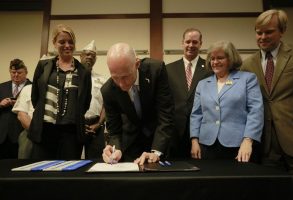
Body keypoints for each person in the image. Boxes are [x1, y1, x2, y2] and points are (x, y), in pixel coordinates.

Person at [240, 9, 293, 175]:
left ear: (282, 31)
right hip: (264, 142)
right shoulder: (247, 65)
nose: (263, 37)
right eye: (259, 33)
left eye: (269, 32)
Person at [190, 40, 264, 162]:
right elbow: (196, 115)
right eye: (212, 58)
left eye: (220, 58)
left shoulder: (247, 79)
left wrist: (248, 140)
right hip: (207, 146)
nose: (215, 62)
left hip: (239, 146)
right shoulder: (202, 84)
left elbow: (256, 111)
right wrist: (194, 140)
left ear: (230, 59)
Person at [101, 42, 174, 165]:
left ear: (137, 64)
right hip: (131, 142)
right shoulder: (108, 90)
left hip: (160, 138)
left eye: (125, 76)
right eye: (115, 78)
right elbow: (114, 130)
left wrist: (156, 152)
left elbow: (166, 114)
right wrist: (115, 148)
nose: (121, 84)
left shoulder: (156, 70)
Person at [28, 24, 92, 159]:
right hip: (44, 131)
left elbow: (85, 102)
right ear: (54, 44)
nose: (67, 45)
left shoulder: (83, 72)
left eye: (70, 42)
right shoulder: (43, 66)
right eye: (62, 42)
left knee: (67, 175)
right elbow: (35, 97)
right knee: (41, 172)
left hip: (71, 133)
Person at [166, 28, 211, 158]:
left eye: (195, 42)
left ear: (200, 44)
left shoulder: (210, 68)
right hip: (174, 133)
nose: (191, 45)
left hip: (202, 132)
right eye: (188, 42)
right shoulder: (168, 69)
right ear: (182, 43)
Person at [80, 40, 107, 159]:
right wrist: (79, 124)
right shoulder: (72, 77)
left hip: (97, 126)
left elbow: (106, 105)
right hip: (76, 125)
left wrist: (99, 124)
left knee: (96, 161)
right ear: (80, 56)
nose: (89, 57)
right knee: (73, 159)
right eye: (87, 54)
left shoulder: (102, 80)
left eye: (93, 55)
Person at [0, 58, 31, 159]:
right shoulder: (2, 87)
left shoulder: (33, 87)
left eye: (19, 72)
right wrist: (0, 105)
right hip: (2, 135)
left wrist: (19, 105)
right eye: (13, 72)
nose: (16, 75)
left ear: (26, 72)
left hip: (22, 134)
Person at [12, 84, 34, 159]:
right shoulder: (28, 88)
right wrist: (34, 131)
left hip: (54, 132)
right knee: (24, 164)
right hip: (29, 132)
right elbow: (21, 114)